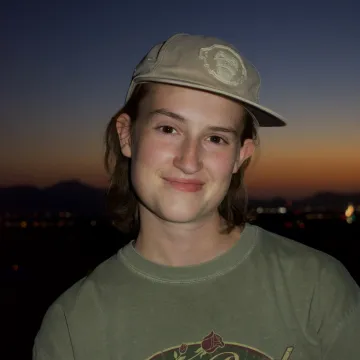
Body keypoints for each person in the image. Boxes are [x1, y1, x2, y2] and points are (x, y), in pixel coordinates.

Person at [33, 33, 360, 360]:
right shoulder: (73, 327)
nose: (189, 160)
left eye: (216, 138)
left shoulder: (319, 289)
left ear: (240, 156)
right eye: (168, 129)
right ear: (126, 135)